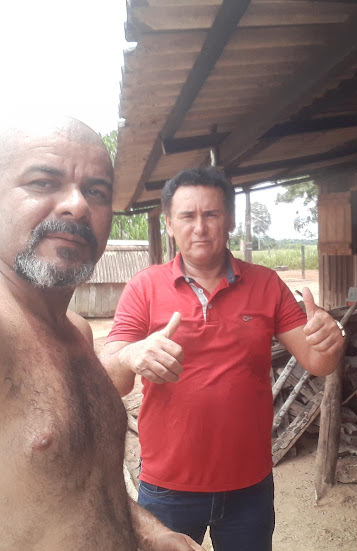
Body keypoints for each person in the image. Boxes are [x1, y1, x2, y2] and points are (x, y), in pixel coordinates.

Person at [99, 166, 343, 550]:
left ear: (229, 220)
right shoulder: (144, 287)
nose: (200, 227)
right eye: (187, 216)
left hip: (249, 486)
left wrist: (331, 340)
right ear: (169, 224)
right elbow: (111, 379)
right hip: (168, 486)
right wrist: (131, 353)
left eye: (211, 214)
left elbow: (318, 362)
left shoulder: (266, 284)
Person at [0, 115, 203, 550]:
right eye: (42, 182)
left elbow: (85, 484)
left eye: (96, 191)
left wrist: (152, 532)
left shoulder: (76, 331)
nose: (77, 205)